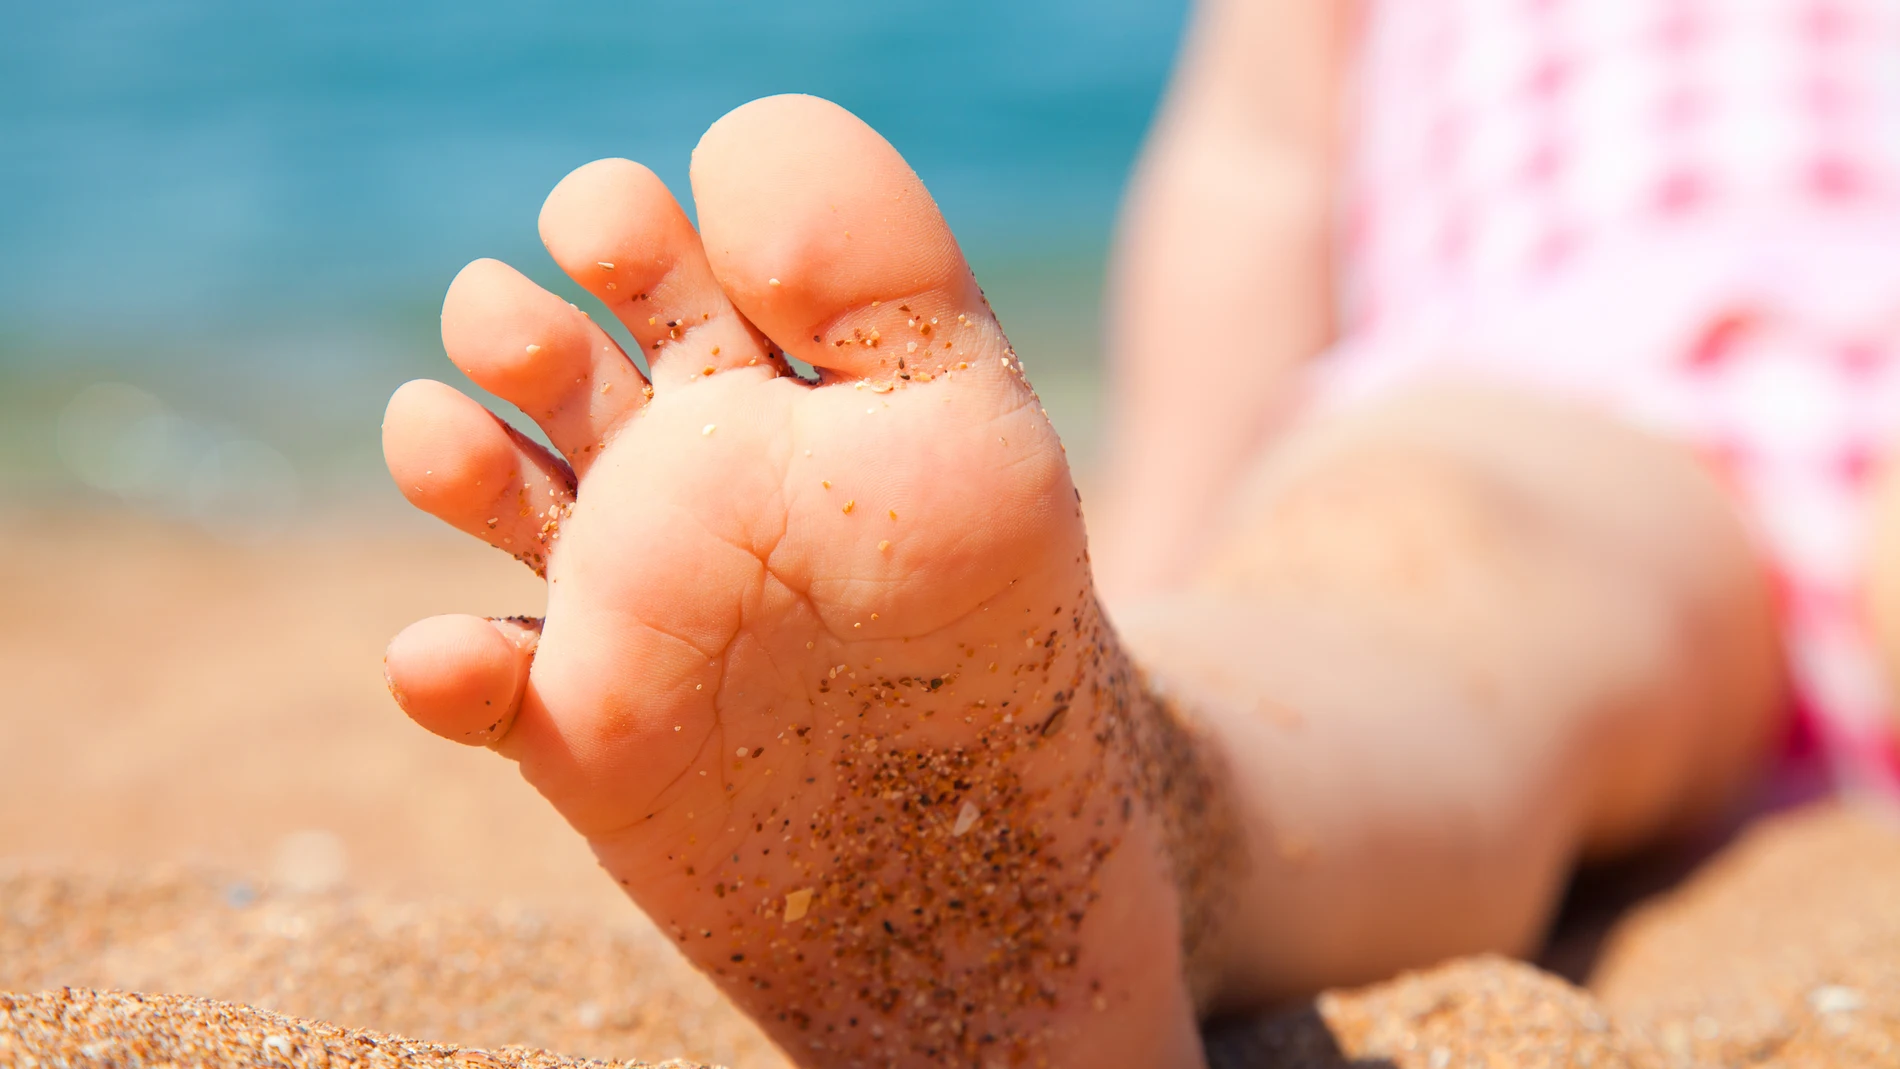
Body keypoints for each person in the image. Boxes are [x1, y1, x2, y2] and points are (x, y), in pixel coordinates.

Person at [376, 2, 1900, 1065]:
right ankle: (1117, 803)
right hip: (1570, 390)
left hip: (1581, 398)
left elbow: (1255, 180)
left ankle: (1116, 791)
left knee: (1425, 576)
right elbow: (1257, 176)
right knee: (1406, 575)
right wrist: (1138, 619)